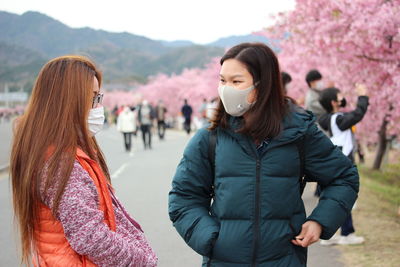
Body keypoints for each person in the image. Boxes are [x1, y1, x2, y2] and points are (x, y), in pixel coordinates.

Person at [168, 43, 359, 266]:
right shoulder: (210, 138)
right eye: (222, 80)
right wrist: (211, 239)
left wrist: (320, 221)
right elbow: (183, 197)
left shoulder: (299, 133)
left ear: (262, 85)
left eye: (236, 81)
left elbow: (344, 177)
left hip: (284, 259)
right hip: (224, 260)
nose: (226, 88)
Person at [10, 56, 157, 266]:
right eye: (92, 98)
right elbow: (90, 236)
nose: (98, 107)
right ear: (67, 100)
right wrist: (143, 260)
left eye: (99, 97)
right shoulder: (60, 162)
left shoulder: (52, 150)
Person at [318, 84, 369, 245]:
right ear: (334, 102)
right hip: (342, 165)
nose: (343, 99)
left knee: (334, 199)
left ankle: (329, 235)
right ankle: (347, 234)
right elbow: (357, 114)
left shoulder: (326, 119)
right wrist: (363, 97)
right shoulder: (338, 119)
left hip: (332, 164)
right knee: (344, 198)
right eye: (340, 96)